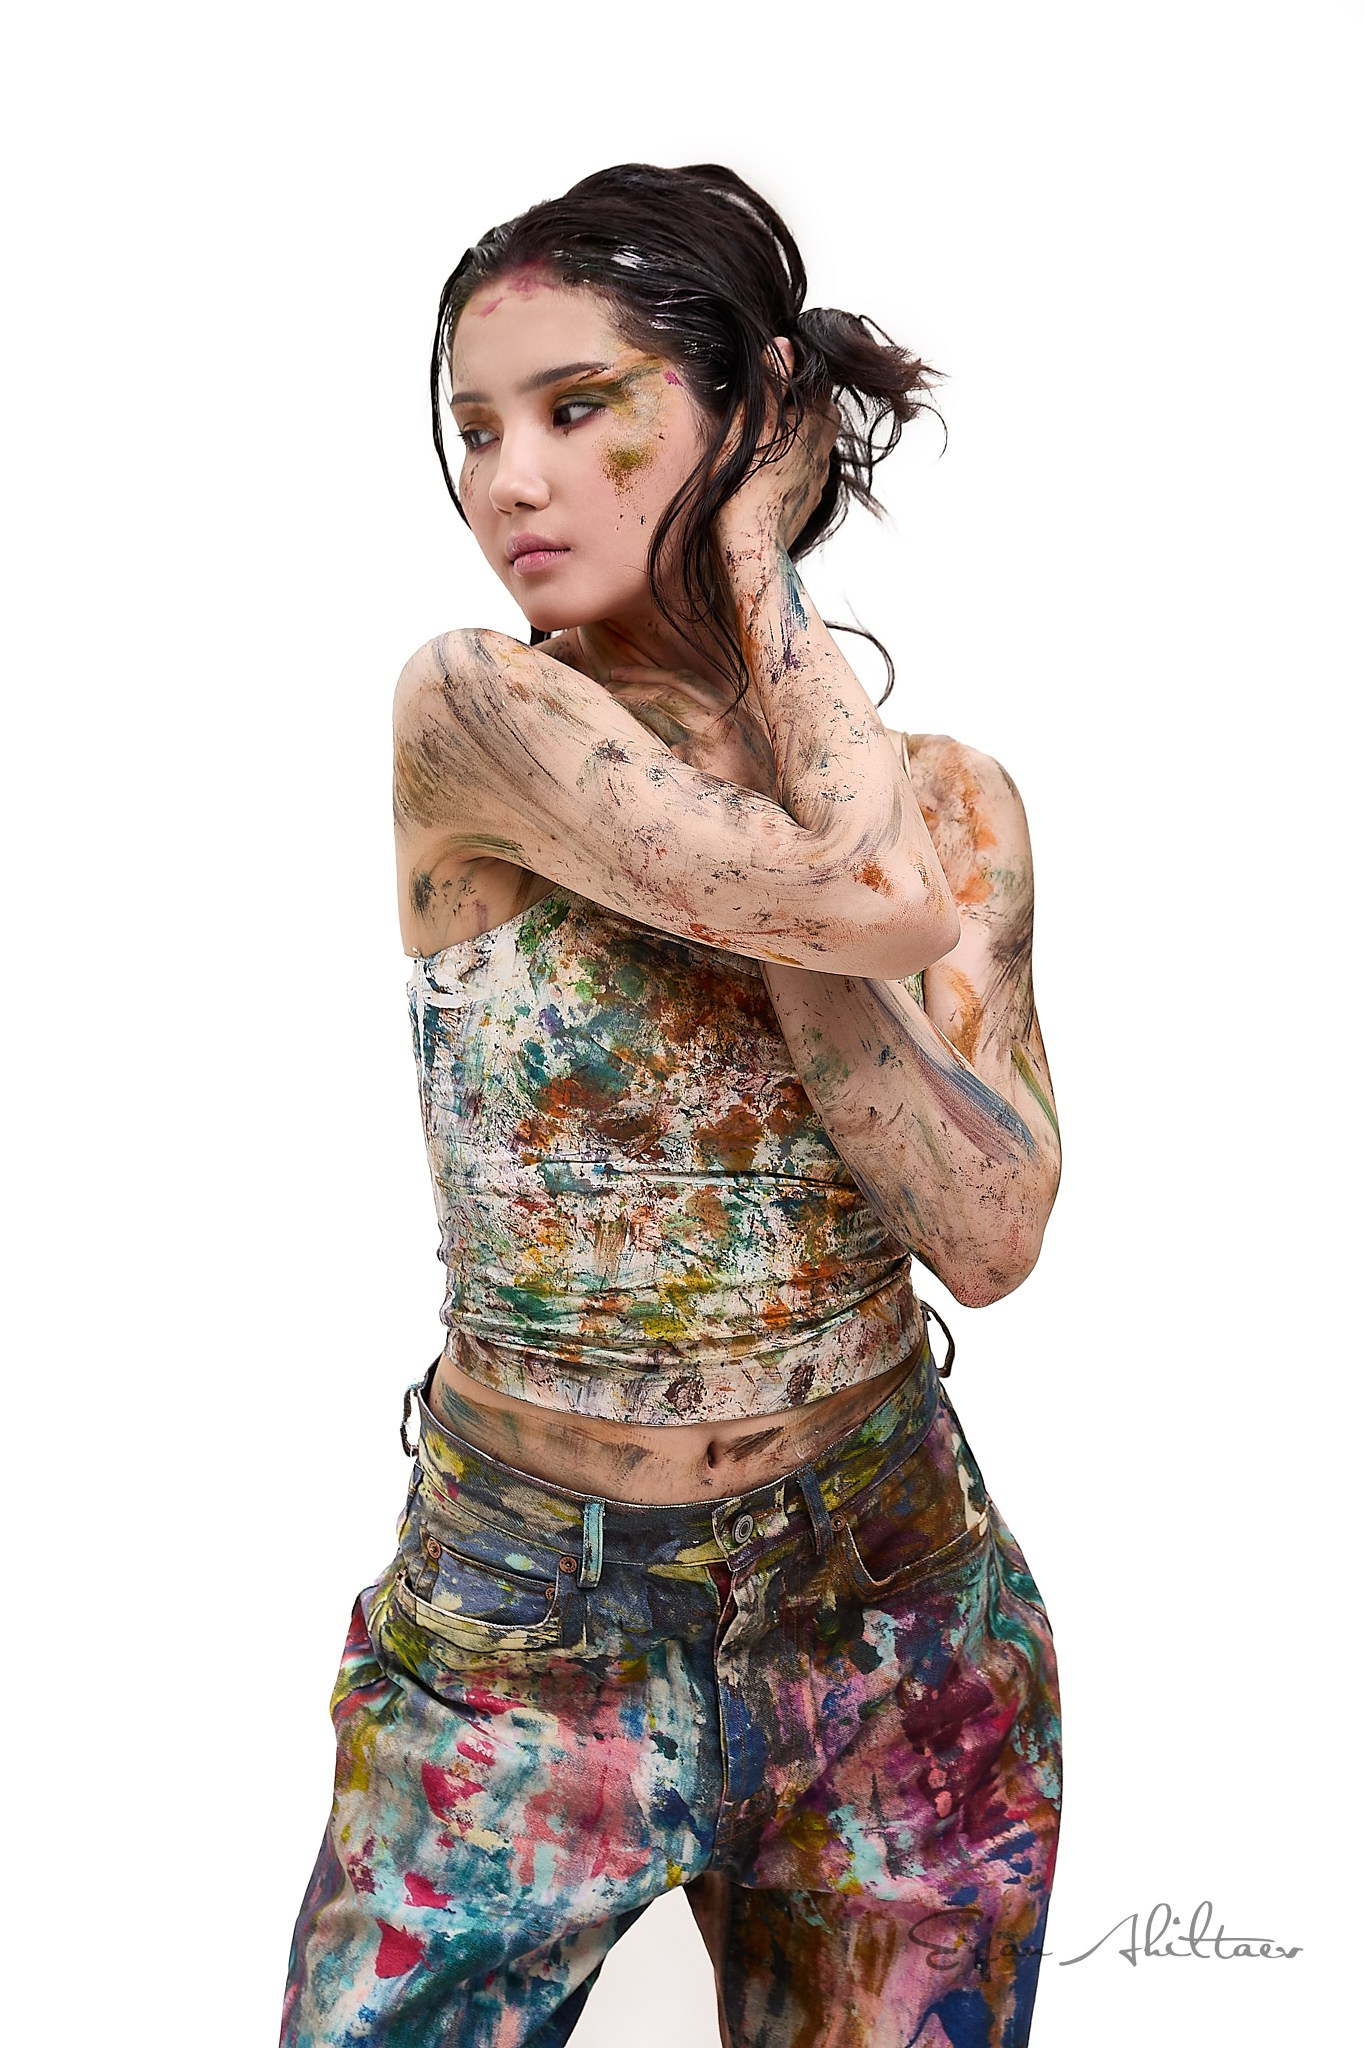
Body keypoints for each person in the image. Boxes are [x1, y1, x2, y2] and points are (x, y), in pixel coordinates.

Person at [281, 162, 1063, 2048]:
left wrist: (753, 592)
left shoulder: (958, 803)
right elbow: (857, 894)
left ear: (752, 420)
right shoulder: (473, 713)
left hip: (894, 1613)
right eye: (476, 428)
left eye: (576, 409)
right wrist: (794, 824)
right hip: (526, 1636)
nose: (508, 480)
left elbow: (989, 1236)